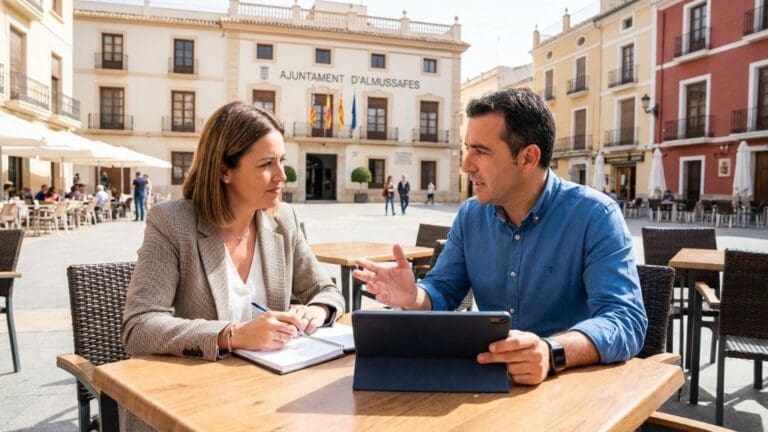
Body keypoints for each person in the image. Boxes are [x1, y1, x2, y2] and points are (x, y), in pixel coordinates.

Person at [353, 88, 646, 385]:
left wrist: (552, 351)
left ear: (528, 158)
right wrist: (414, 296)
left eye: (481, 151)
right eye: (467, 149)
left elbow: (626, 320)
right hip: (490, 384)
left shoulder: (595, 216)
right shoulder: (471, 215)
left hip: (570, 388)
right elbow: (443, 288)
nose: (466, 166)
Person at [122, 102, 344, 430]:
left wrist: (317, 310)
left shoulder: (283, 220)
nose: (282, 176)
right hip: (187, 403)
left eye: (281, 161)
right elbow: (139, 327)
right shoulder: (172, 222)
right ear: (224, 170)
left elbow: (326, 290)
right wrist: (233, 335)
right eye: (266, 164)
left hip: (265, 398)